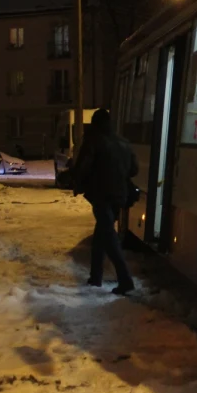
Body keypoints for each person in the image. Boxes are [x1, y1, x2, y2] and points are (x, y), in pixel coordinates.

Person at [71, 109, 138, 295]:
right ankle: (96, 277)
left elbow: (83, 167)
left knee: (108, 236)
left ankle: (125, 280)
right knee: (101, 234)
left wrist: (76, 181)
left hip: (100, 194)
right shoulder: (123, 142)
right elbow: (134, 170)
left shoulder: (93, 141)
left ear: (95, 123)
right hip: (120, 195)